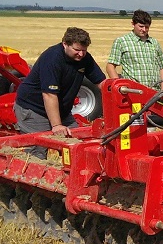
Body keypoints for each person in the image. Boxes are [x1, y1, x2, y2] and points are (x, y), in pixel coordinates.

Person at [13, 27, 106, 159]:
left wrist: (117, 90)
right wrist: (56, 125)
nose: (81, 54)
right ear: (65, 44)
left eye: (84, 50)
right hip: (34, 109)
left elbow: (102, 83)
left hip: (62, 109)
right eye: (77, 50)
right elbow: (49, 94)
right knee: (38, 152)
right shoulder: (52, 58)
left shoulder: (85, 59)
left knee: (78, 145)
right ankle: (36, 177)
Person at [106, 9, 163, 90]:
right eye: (141, 26)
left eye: (147, 27)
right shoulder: (122, 41)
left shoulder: (154, 43)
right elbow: (110, 66)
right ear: (133, 24)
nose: (144, 30)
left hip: (154, 93)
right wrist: (119, 86)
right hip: (133, 92)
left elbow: (162, 68)